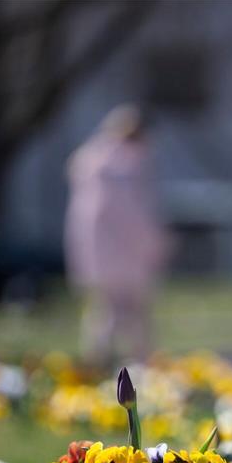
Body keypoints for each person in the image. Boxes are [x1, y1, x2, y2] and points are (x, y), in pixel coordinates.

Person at [64, 105, 169, 365]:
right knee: (134, 318)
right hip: (126, 255)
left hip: (97, 255)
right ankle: (140, 368)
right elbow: (133, 215)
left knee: (103, 313)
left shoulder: (91, 163)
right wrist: (155, 244)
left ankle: (97, 364)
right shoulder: (123, 167)